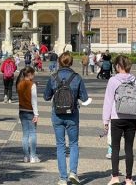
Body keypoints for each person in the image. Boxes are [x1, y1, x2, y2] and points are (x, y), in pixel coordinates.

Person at [43, 52, 92, 185]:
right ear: (71, 63)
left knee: (60, 145)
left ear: (59, 62)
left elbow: (46, 97)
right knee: (74, 144)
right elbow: (84, 98)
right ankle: (73, 172)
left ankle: (62, 178)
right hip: (72, 114)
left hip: (57, 114)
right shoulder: (77, 77)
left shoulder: (53, 77)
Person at [102, 55, 136, 185]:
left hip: (116, 117)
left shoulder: (113, 80)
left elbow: (108, 100)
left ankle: (115, 177)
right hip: (131, 118)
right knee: (129, 149)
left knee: (115, 148)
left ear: (117, 66)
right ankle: (129, 179)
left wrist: (105, 120)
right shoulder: (135, 80)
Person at [16, 66, 40, 163]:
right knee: (33, 133)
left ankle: (26, 156)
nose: (34, 76)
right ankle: (33, 156)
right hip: (30, 111)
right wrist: (36, 114)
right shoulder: (32, 85)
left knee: (25, 134)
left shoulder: (19, 84)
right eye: (33, 74)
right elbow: (34, 100)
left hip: (22, 110)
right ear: (29, 74)